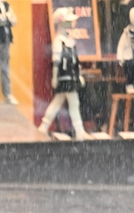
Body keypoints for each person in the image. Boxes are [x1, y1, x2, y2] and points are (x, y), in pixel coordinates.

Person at [38, 8, 88, 141]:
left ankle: (44, 126)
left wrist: (79, 75)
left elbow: (75, 62)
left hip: (71, 77)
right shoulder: (59, 42)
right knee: (74, 102)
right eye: (67, 21)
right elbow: (57, 61)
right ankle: (79, 131)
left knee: (57, 102)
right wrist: (55, 77)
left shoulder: (69, 41)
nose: (71, 23)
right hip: (64, 77)